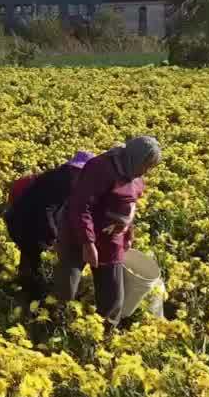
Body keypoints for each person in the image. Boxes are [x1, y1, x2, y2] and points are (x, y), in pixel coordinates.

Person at [55, 136, 162, 325]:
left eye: (150, 167)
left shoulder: (135, 177)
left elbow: (129, 208)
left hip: (111, 240)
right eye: (146, 165)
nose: (146, 171)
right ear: (136, 157)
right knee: (67, 286)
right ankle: (56, 324)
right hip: (78, 234)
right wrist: (88, 243)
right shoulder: (100, 168)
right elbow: (80, 206)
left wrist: (129, 232)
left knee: (113, 297)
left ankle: (103, 337)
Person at [3, 150, 96, 302]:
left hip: (27, 221)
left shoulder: (63, 179)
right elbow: (45, 210)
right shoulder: (58, 183)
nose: (82, 177)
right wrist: (53, 235)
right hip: (25, 222)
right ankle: (29, 293)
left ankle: (25, 283)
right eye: (79, 172)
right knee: (32, 257)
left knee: (30, 255)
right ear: (72, 169)